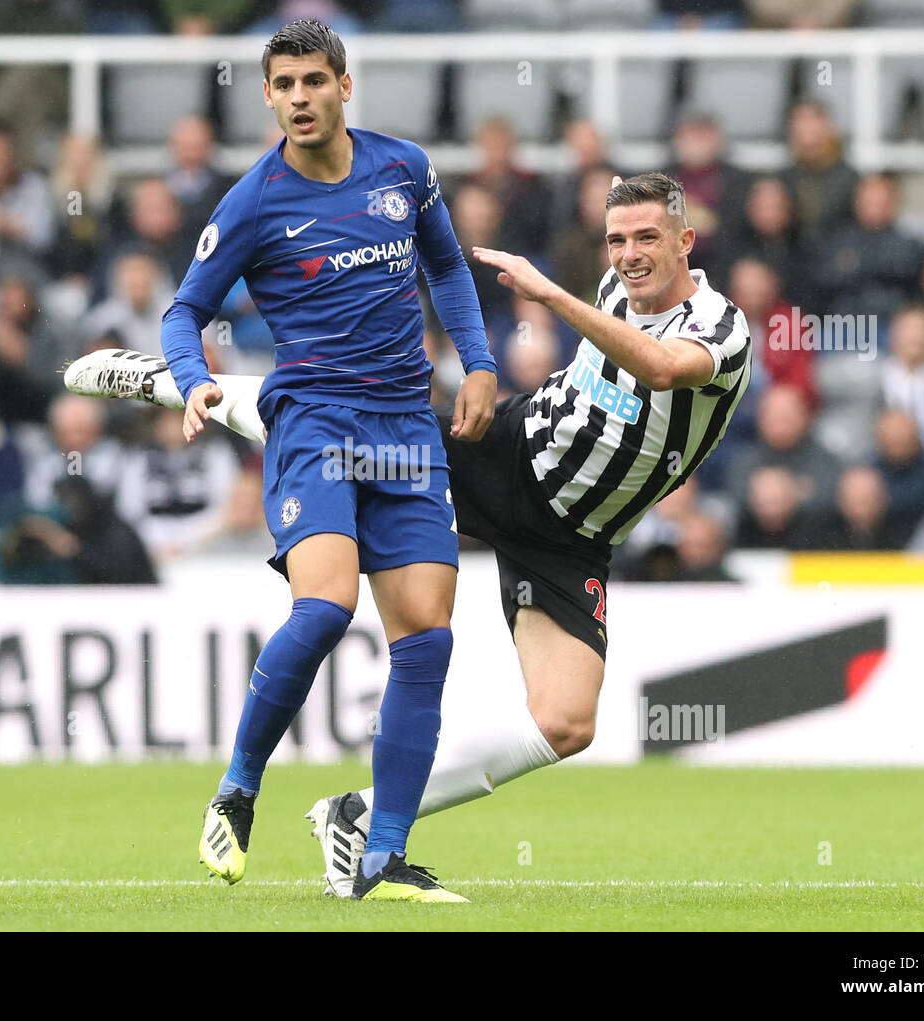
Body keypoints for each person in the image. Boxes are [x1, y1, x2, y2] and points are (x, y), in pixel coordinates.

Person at [66, 170, 752, 898]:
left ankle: (355, 814)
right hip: (509, 455)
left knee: (566, 720)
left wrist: (552, 294)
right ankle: (173, 380)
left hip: (572, 536)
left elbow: (666, 368)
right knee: (345, 437)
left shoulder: (719, 326)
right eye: (617, 239)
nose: (629, 254)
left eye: (648, 237)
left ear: (686, 240)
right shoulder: (619, 289)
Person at [69, 20, 497, 903]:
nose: (299, 97)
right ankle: (239, 787)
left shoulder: (404, 170)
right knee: (328, 606)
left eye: (314, 80)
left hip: (407, 429)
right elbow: (184, 309)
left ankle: (379, 858)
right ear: (266, 96)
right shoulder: (255, 201)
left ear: (345, 83)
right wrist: (189, 378)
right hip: (312, 420)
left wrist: (482, 362)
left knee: (427, 638)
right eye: (283, 85)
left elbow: (448, 267)